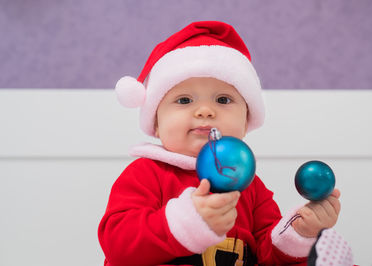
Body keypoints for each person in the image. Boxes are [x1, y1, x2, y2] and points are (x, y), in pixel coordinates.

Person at [98, 21, 346, 266]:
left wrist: (301, 231)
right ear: (157, 123)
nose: (205, 111)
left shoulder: (250, 186)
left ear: (246, 120)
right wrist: (187, 222)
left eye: (223, 99)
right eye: (184, 100)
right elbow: (118, 246)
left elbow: (269, 255)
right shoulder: (145, 175)